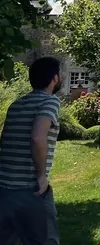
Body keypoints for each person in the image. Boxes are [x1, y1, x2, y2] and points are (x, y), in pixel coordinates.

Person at [0, 57, 62, 244]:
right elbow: (37, 137)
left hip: (3, 189)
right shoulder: (50, 102)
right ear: (54, 78)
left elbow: (5, 140)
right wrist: (41, 176)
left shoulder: (16, 105)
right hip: (30, 190)